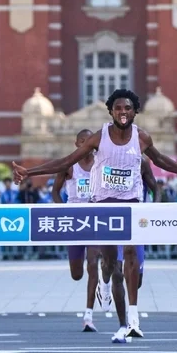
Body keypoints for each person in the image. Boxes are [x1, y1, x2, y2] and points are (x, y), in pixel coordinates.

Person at [12, 88, 177, 344]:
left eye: (127, 108)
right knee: (110, 266)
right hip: (104, 206)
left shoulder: (141, 137)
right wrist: (29, 172)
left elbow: (161, 160)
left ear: (135, 111)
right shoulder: (99, 137)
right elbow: (66, 161)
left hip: (131, 205)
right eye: (118, 108)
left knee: (130, 259)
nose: (123, 112)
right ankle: (110, 299)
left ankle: (132, 320)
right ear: (111, 112)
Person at [52, 128, 111, 332]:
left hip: (94, 219)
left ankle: (88, 316)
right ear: (77, 144)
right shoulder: (69, 166)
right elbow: (55, 192)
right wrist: (63, 212)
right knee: (76, 274)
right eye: (83, 141)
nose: (88, 145)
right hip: (75, 220)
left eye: (90, 141)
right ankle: (92, 295)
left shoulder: (101, 164)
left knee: (93, 264)